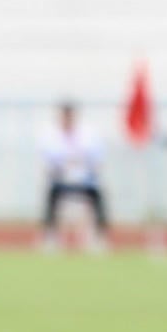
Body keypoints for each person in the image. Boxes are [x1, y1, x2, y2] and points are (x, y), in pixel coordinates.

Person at [39, 101, 108, 251]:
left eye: (70, 116)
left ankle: (99, 237)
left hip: (85, 181)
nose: (67, 119)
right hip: (61, 181)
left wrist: (82, 166)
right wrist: (63, 168)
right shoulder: (50, 136)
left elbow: (96, 160)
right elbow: (49, 163)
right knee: (51, 195)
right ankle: (50, 237)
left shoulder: (88, 135)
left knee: (98, 195)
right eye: (64, 116)